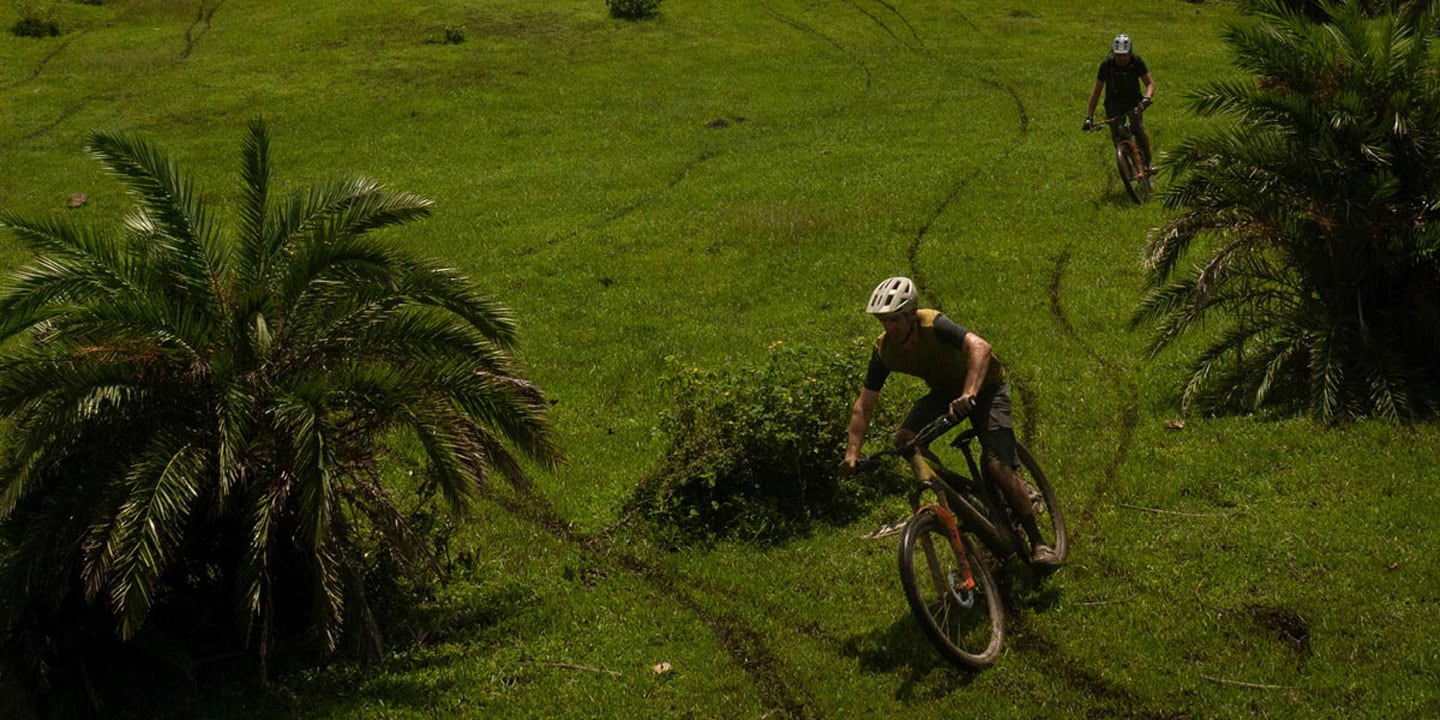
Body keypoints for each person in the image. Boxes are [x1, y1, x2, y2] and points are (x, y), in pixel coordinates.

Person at [842, 277, 1059, 567]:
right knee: (905, 439)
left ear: (911, 314)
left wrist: (970, 392)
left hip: (986, 388)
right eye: (883, 320)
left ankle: (1039, 542)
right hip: (945, 393)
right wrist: (852, 453)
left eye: (894, 319)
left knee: (997, 465)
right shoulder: (884, 350)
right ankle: (963, 496)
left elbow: (980, 347)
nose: (888, 327)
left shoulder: (934, 325)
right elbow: (864, 405)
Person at [1084, 33, 1156, 170]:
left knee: (1138, 128)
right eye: (1118, 55)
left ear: (1130, 53)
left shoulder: (1136, 62)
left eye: (1124, 55)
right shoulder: (1107, 65)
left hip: (1133, 101)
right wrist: (1089, 117)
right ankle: (1126, 167)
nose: (1121, 58)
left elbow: (1149, 83)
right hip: (1113, 103)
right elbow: (1097, 91)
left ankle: (1147, 161)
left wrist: (1147, 98)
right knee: (1116, 135)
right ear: (1113, 53)